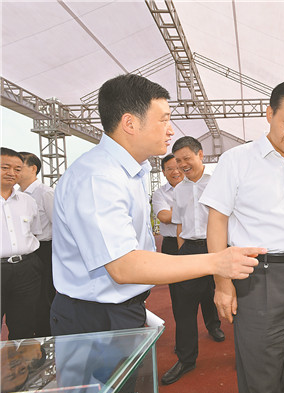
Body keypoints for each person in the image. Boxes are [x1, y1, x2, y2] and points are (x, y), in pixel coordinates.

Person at [50, 74, 265, 336]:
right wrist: (216, 262)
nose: (171, 130)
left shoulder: (128, 171)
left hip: (115, 309)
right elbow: (123, 265)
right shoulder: (98, 177)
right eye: (163, 120)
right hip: (96, 319)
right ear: (130, 123)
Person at [201, 80, 284, 393]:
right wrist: (222, 283)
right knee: (261, 370)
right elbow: (217, 222)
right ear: (269, 114)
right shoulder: (237, 160)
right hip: (259, 276)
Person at [161, 136, 224, 385]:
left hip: (217, 249)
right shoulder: (179, 190)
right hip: (189, 250)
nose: (182, 165)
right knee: (183, 308)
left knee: (232, 301)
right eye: (178, 161)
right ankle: (186, 359)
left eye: (186, 158)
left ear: (200, 154)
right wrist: (181, 254)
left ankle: (245, 354)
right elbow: (179, 225)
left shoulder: (218, 183)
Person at [0, 147, 42, 340]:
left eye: (17, 169)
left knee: (24, 327)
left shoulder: (28, 201)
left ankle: (21, 360)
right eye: (5, 167)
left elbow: (34, 232)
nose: (12, 173)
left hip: (26, 270)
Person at [18, 151, 55, 338]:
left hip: (45, 251)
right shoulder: (16, 195)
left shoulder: (45, 193)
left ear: (33, 169)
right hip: (26, 253)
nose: (14, 172)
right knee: (26, 299)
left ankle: (47, 339)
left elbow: (59, 224)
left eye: (19, 167)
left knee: (44, 298)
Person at [151, 153, 182, 257]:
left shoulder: (195, 188)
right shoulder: (159, 193)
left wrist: (174, 211)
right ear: (163, 172)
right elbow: (164, 217)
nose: (175, 172)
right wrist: (191, 212)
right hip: (171, 244)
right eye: (170, 169)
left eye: (178, 167)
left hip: (196, 242)